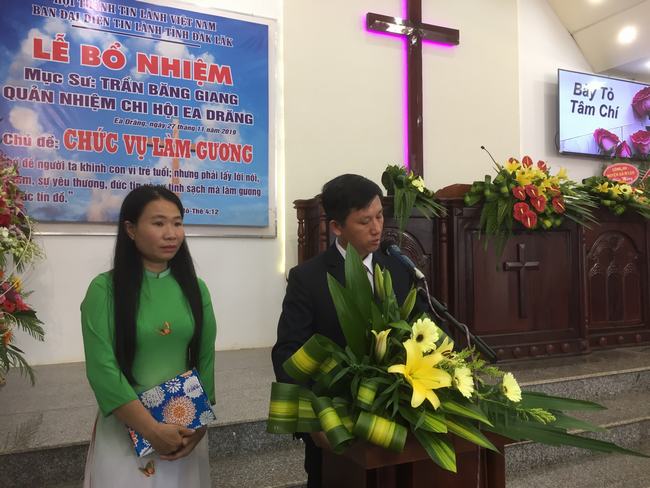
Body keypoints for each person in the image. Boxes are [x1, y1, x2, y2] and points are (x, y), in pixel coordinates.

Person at [271, 174, 420, 488]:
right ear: (337, 227)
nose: (377, 228)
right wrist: (314, 421)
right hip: (334, 418)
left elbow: (421, 328)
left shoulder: (397, 269)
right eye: (365, 221)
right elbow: (288, 353)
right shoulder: (308, 279)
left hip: (395, 414)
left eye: (379, 216)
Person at [81, 185, 217, 487]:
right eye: (158, 223)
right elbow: (103, 371)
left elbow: (205, 358)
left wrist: (200, 425)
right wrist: (152, 430)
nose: (171, 234)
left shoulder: (196, 289)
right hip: (126, 431)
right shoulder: (105, 290)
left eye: (177, 223)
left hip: (184, 431)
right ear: (130, 229)